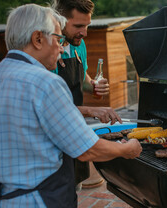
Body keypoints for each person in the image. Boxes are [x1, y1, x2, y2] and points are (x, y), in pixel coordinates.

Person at [0, 4, 142, 208]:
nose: (60, 45)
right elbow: (87, 149)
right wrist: (126, 149)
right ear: (37, 39)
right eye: (56, 38)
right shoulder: (45, 83)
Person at [51, 0, 118, 188]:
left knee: (75, 188)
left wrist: (94, 86)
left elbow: (83, 80)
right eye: (78, 26)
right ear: (59, 21)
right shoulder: (47, 50)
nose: (85, 32)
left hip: (75, 129)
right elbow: (52, 107)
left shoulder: (79, 44)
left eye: (87, 25)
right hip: (55, 133)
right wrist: (92, 110)